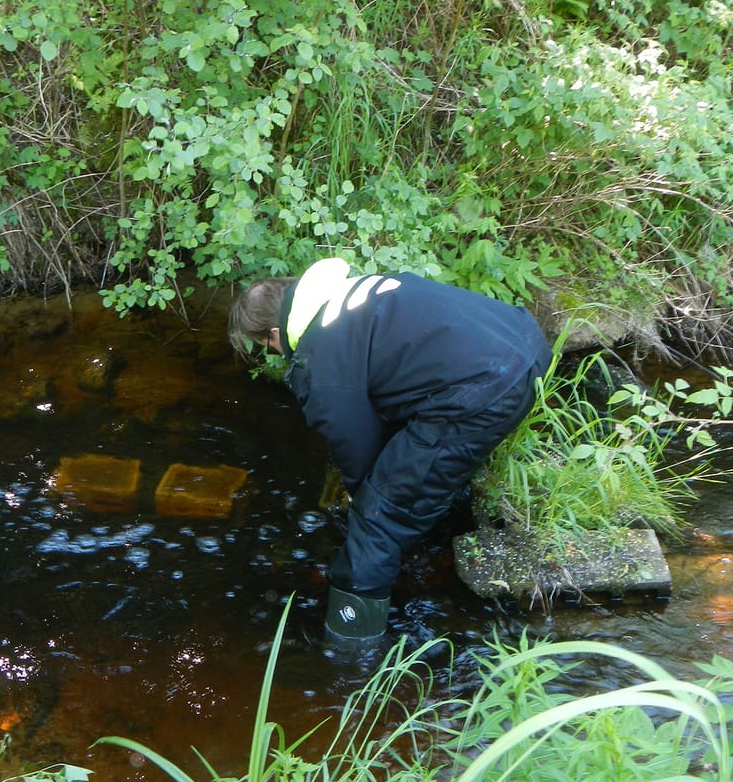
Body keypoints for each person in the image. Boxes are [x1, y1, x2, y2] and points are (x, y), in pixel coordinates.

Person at [229, 256, 552, 649]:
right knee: (408, 466)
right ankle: (434, 530)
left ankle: (353, 650)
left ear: (275, 331)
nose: (271, 351)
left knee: (377, 516)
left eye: (265, 343)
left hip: (483, 390)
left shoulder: (318, 360)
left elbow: (356, 449)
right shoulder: (354, 291)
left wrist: (367, 499)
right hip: (525, 346)